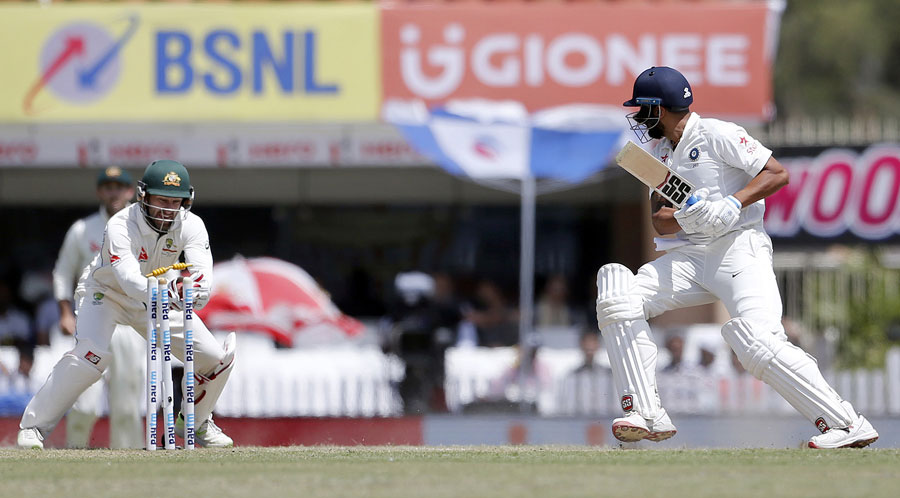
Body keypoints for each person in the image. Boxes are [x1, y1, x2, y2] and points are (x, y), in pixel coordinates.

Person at [595, 66, 877, 449]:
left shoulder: (717, 134)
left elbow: (776, 174)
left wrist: (732, 202)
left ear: (658, 108)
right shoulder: (659, 152)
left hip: (739, 248)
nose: (639, 119)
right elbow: (660, 223)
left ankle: (845, 424)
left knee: (755, 341)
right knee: (617, 291)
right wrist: (684, 215)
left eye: (642, 110)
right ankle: (646, 414)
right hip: (693, 256)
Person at [18, 160, 236, 449]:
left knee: (213, 357)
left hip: (158, 298)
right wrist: (171, 291)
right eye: (161, 200)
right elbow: (128, 279)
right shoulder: (120, 224)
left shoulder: (192, 225)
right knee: (91, 355)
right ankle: (33, 427)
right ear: (143, 195)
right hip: (107, 294)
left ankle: (194, 422)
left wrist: (194, 290)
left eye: (175, 201)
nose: (168, 209)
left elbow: (202, 279)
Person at [52, 166, 147, 449]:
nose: (114, 191)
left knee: (127, 407)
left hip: (130, 324)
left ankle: (129, 469)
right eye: (108, 186)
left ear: (131, 191)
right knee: (84, 403)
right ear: (99, 191)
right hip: (92, 321)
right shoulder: (82, 230)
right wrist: (66, 312)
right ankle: (74, 456)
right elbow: (62, 272)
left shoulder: (143, 227)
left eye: (120, 186)